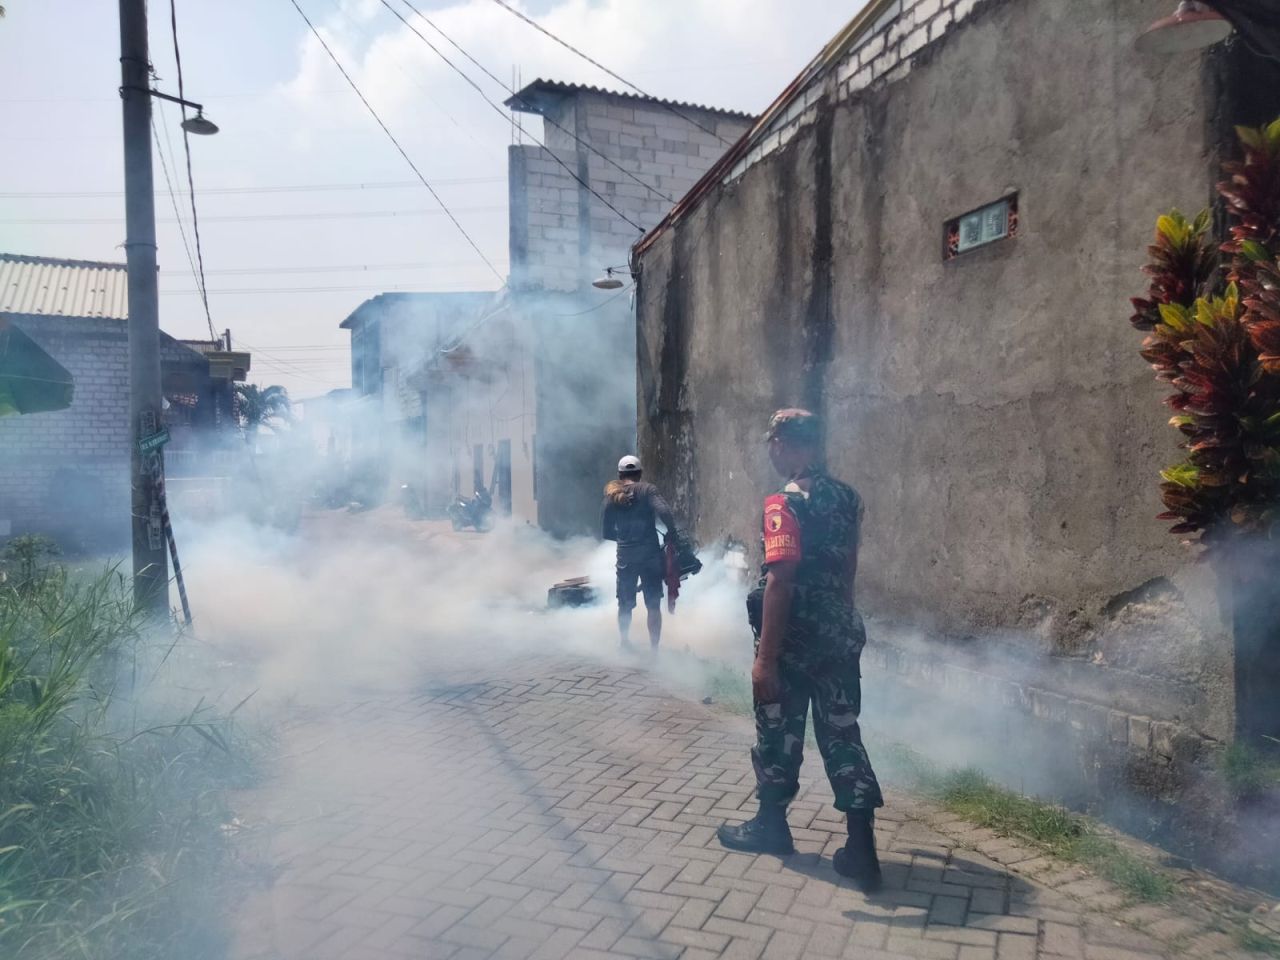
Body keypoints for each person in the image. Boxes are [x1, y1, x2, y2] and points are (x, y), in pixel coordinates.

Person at [716, 409, 884, 893]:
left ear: (787, 444)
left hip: (791, 641)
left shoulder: (783, 503)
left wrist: (765, 659)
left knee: (778, 730)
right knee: (842, 733)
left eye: (774, 442)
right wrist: (840, 620)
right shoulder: (849, 498)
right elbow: (848, 569)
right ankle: (861, 850)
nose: (771, 450)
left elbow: (780, 580)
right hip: (838, 635)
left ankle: (771, 826)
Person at [600, 455, 677, 651]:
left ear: (620, 474)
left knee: (624, 604)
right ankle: (654, 650)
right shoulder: (648, 490)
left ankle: (624, 642)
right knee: (653, 605)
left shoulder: (611, 497)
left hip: (625, 557)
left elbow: (606, 533)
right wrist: (672, 533)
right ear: (640, 473)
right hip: (650, 556)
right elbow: (665, 512)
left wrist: (625, 540)